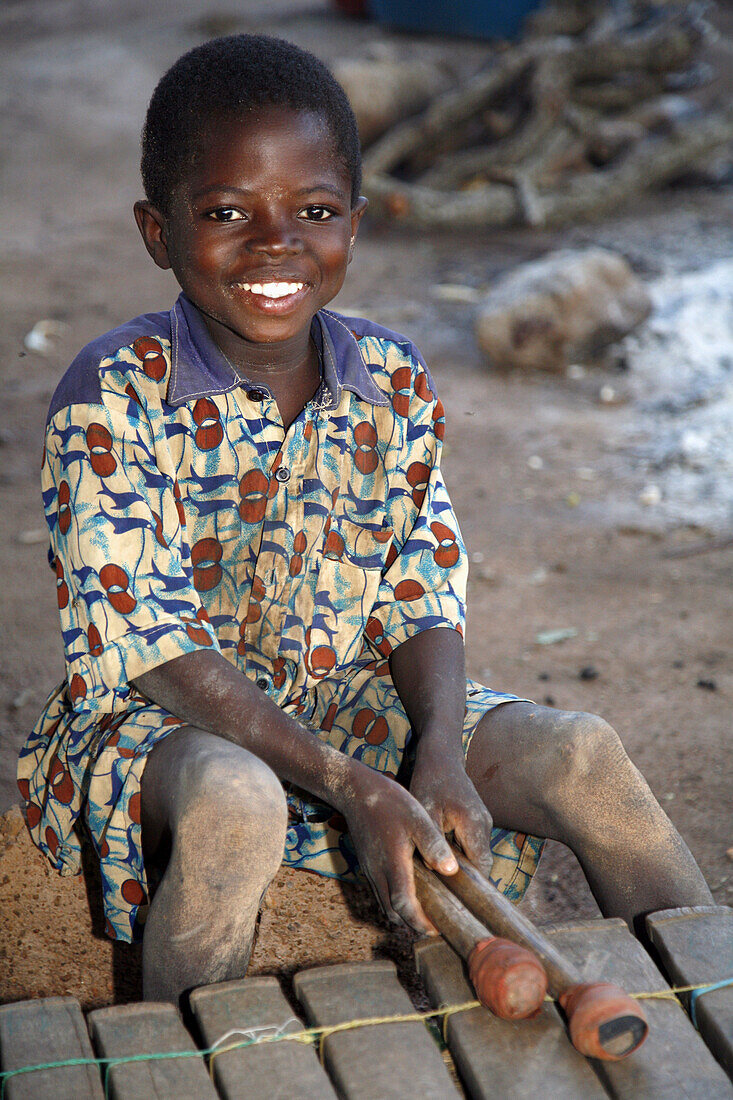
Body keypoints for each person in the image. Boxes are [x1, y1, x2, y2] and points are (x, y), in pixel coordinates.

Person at [18, 34, 712, 1005]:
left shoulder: (387, 378)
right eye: (226, 213)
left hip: (337, 699)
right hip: (160, 724)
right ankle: (183, 1056)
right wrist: (348, 781)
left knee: (578, 753)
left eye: (313, 211)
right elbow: (152, 645)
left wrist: (432, 744)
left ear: (353, 220)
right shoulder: (114, 395)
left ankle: (706, 1008)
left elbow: (416, 579)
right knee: (238, 798)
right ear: (157, 231)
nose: (275, 244)